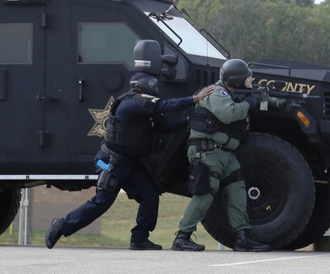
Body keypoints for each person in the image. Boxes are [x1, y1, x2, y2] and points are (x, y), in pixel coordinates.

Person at [45, 76, 215, 250]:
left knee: (149, 195)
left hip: (130, 164)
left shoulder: (147, 112)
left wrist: (189, 122)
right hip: (108, 162)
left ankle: (139, 239)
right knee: (101, 202)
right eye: (152, 88)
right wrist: (194, 99)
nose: (155, 91)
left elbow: (166, 127)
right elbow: (162, 105)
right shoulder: (131, 103)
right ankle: (60, 226)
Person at [171, 59, 288, 252]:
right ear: (235, 81)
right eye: (247, 81)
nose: (250, 84)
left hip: (225, 154)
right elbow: (229, 113)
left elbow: (256, 100)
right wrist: (250, 104)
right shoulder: (218, 93)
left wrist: (271, 101)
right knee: (205, 194)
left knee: (238, 191)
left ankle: (242, 238)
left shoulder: (234, 93)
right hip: (207, 152)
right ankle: (182, 236)